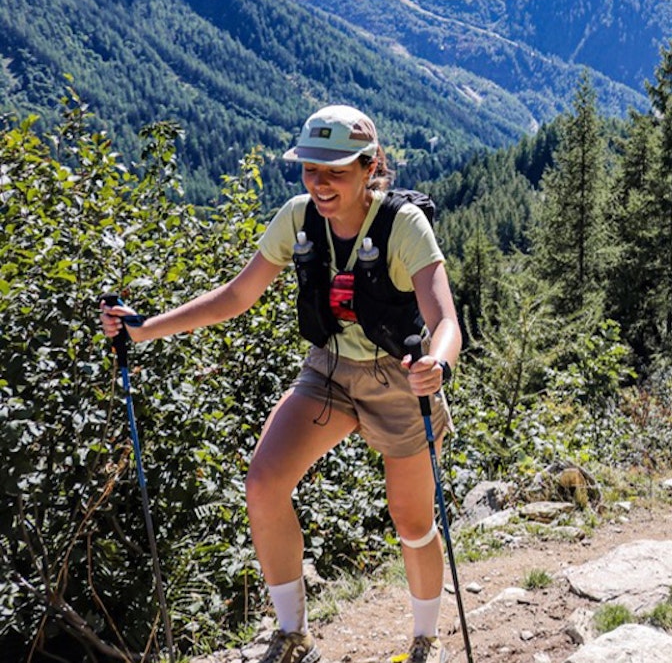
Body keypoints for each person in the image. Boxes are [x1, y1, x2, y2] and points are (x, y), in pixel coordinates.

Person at [100, 105, 461, 663]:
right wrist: (146, 330)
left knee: (411, 521)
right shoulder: (297, 218)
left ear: (369, 168)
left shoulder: (403, 225)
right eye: (310, 169)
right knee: (264, 484)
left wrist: (436, 364)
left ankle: (425, 640)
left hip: (400, 379)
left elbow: (445, 322)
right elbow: (236, 297)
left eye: (335, 171)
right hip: (329, 369)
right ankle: (294, 636)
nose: (320, 183)